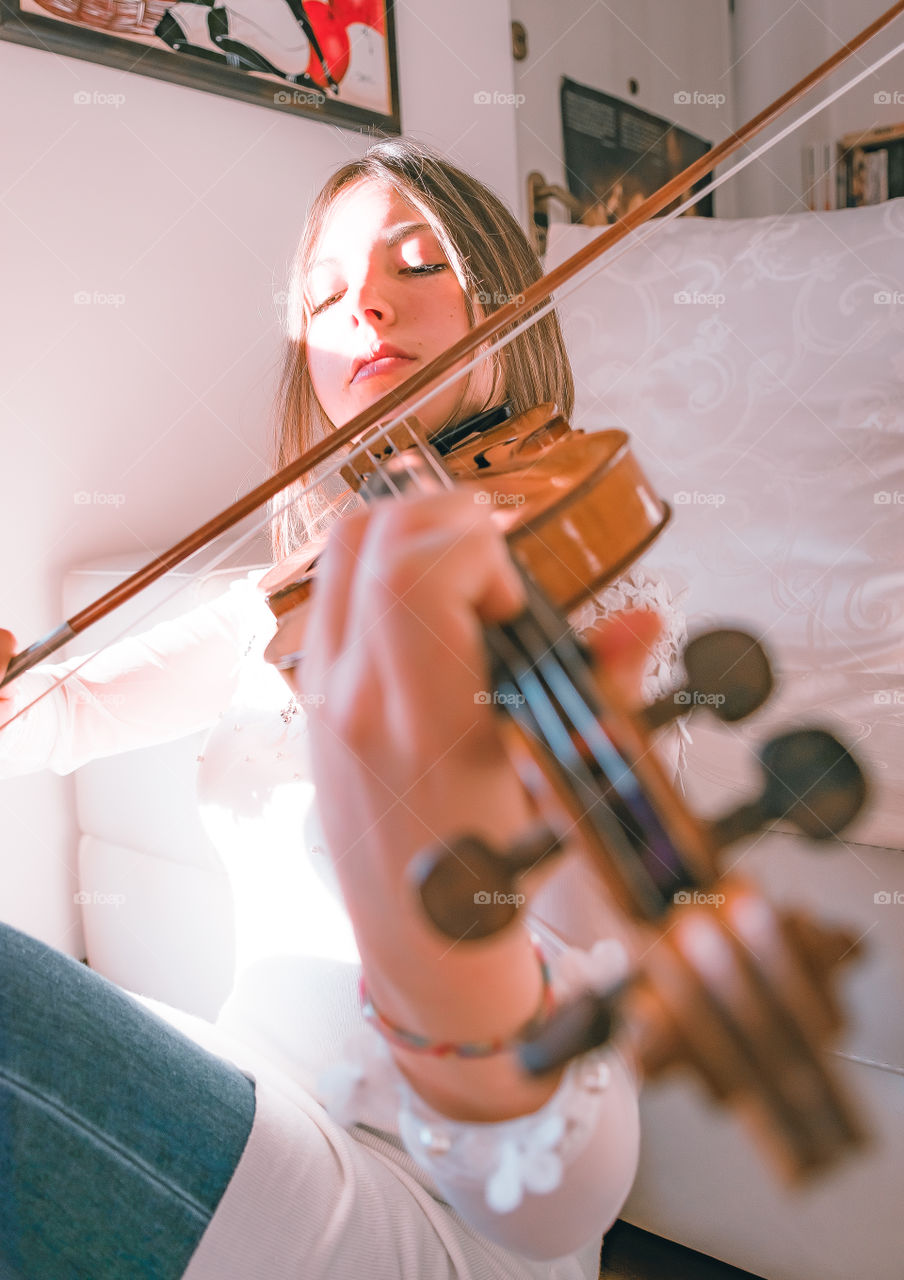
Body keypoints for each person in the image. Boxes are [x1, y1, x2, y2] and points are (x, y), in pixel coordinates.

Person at [0, 138, 685, 1279]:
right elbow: (64, 716)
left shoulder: (577, 572)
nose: (364, 302)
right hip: (255, 1093)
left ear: (507, 304)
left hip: (449, 1196)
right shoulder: (285, 596)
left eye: (416, 264)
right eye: (323, 293)